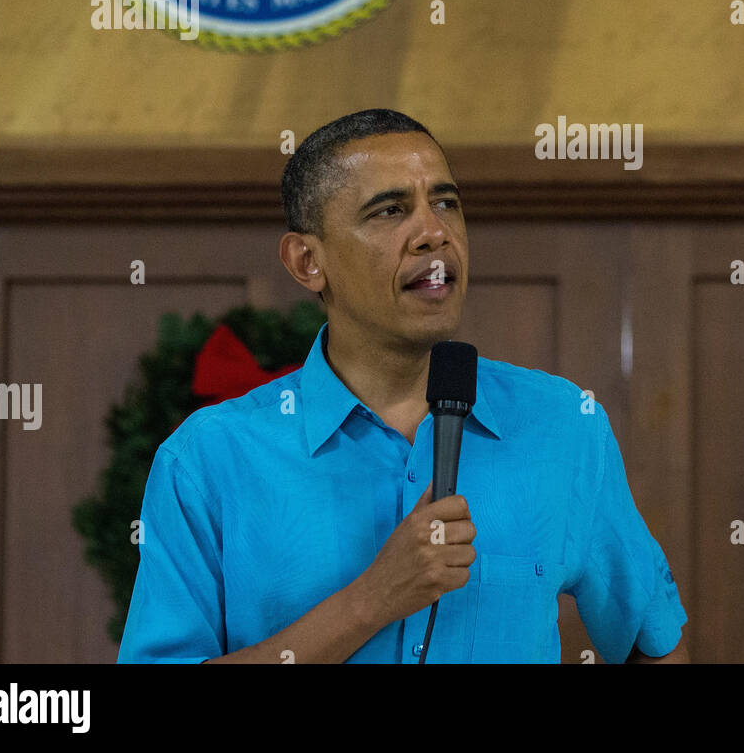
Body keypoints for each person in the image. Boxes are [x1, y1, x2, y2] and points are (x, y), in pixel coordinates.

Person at [118, 109, 688, 663]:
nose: (433, 233)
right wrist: (372, 600)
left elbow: (650, 640)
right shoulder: (208, 460)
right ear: (307, 261)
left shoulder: (563, 425)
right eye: (390, 211)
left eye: (445, 203)